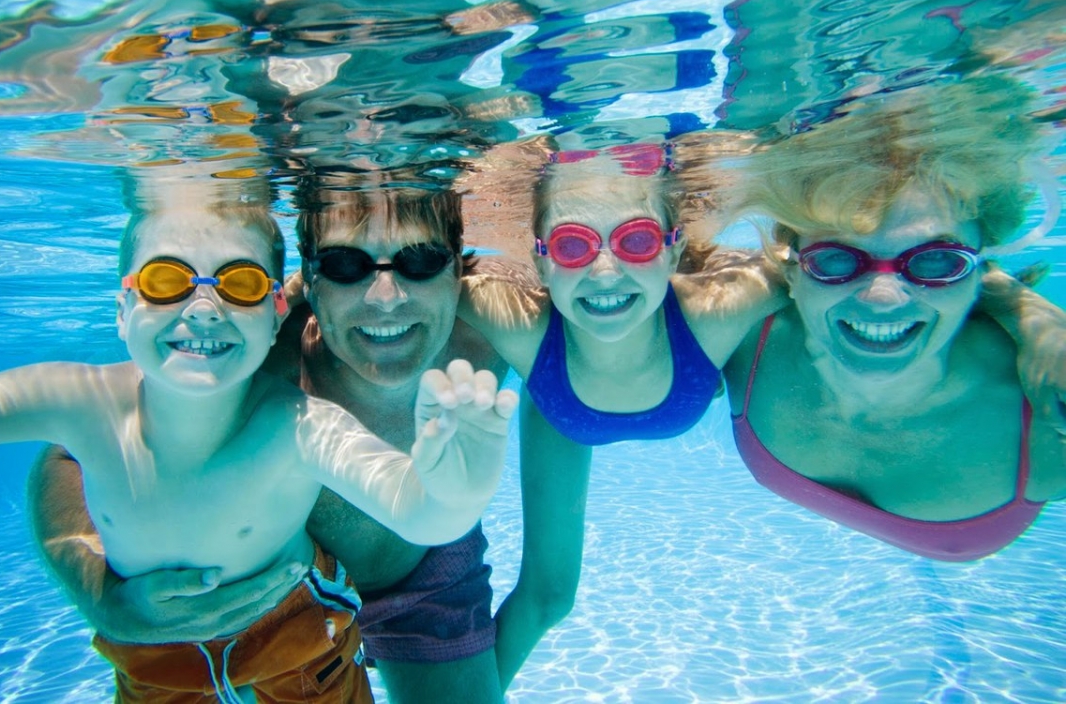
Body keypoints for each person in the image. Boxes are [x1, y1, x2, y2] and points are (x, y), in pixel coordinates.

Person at [0, 184, 517, 703]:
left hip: (354, 608)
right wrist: (97, 591)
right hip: (203, 628)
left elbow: (424, 509)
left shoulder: (308, 417)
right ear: (306, 284)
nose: (203, 308)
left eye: (421, 259)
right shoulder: (166, 376)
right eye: (347, 264)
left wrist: (459, 490)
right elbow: (20, 440)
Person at [455, 143, 787, 686]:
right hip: (561, 409)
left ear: (674, 251)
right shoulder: (524, 327)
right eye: (572, 246)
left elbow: (821, 270)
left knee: (554, 598)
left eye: (637, 241)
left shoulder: (717, 314)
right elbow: (415, 283)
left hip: (597, 389)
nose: (605, 273)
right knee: (550, 595)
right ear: (540, 262)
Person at [720, 77, 1066, 561]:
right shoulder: (738, 332)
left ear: (978, 271)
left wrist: (1033, 316)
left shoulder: (1049, 416)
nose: (882, 298)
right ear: (793, 271)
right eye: (836, 259)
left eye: (936, 262)